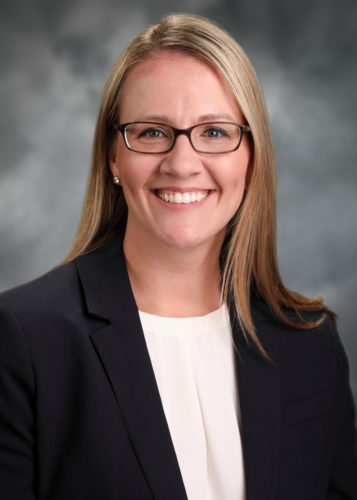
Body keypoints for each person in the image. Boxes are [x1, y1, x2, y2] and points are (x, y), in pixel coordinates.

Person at [0, 12, 356, 500]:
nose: (183, 163)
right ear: (113, 157)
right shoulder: (23, 340)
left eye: (214, 132)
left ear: (252, 156)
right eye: (150, 132)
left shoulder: (312, 343)